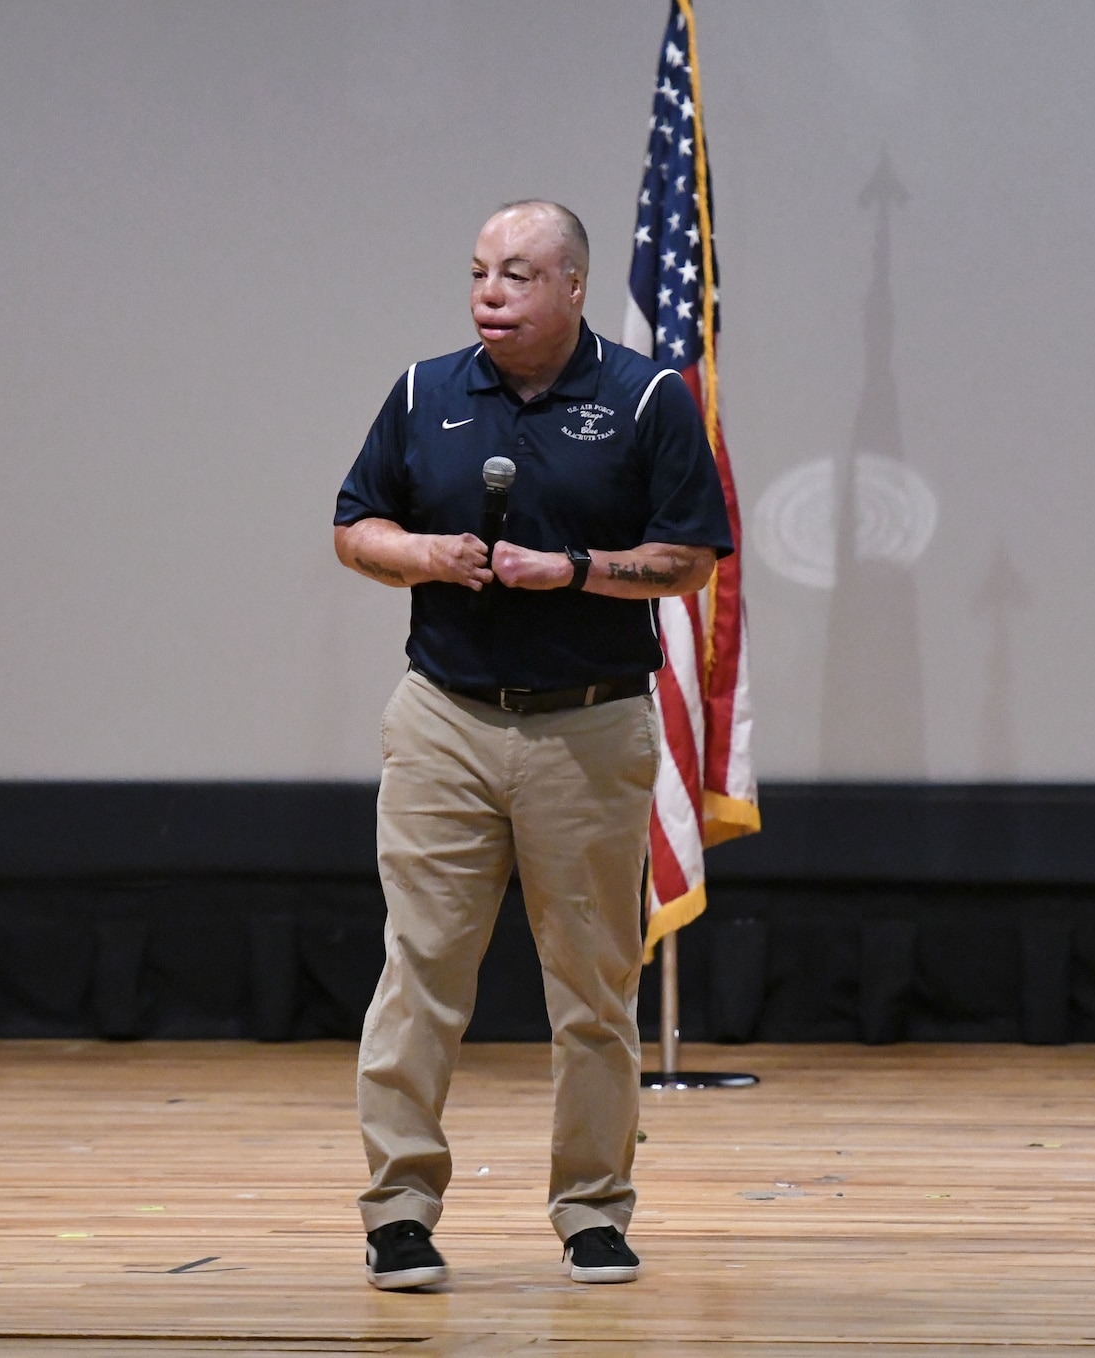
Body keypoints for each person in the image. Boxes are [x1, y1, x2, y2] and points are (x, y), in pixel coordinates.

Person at [332, 200, 732, 1289]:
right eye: (475, 272)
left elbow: (690, 557)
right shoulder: (423, 392)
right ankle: (398, 1210)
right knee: (419, 972)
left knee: (594, 987)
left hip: (590, 723)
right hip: (445, 720)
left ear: (571, 288)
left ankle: (592, 1209)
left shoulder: (645, 397)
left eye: (515, 273)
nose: (487, 294)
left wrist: (575, 570)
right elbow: (351, 527)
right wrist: (417, 551)